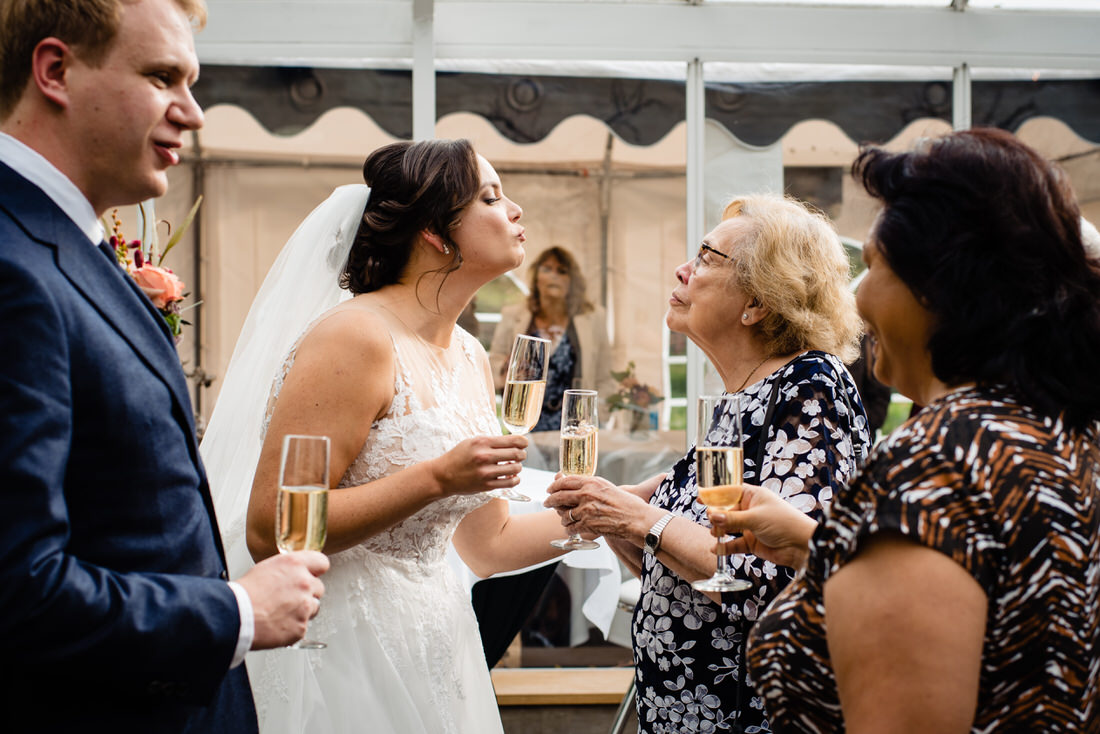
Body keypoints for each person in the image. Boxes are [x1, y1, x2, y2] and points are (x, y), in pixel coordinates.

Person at [0, 1, 328, 732]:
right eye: (162, 78)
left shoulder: (67, 244)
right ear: (55, 70)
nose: (194, 112)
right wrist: (237, 610)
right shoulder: (12, 267)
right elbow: (19, 588)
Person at [711, 129, 1100, 732]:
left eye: (871, 265)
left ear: (937, 288)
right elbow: (994, 605)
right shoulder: (1059, 434)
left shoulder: (937, 464)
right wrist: (824, 544)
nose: (858, 295)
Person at [202, 138, 580, 734]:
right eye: (490, 196)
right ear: (435, 230)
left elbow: (491, 543)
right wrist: (435, 478)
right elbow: (271, 529)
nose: (516, 211)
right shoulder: (354, 337)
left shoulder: (469, 354)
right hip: (341, 646)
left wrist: (619, 509)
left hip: (437, 639)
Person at [545, 194, 871, 733]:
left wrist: (636, 518)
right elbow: (687, 570)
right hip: (685, 709)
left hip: (743, 713)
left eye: (705, 257)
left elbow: (768, 573)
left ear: (758, 303)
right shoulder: (739, 402)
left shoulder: (811, 387)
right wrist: (610, 521)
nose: (682, 268)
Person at [489, 245, 615, 430]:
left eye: (562, 271)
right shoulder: (513, 315)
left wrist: (595, 419)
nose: (554, 275)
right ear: (536, 278)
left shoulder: (594, 318)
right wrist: (507, 370)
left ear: (572, 281)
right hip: (526, 423)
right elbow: (494, 363)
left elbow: (604, 377)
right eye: (547, 269)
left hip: (575, 427)